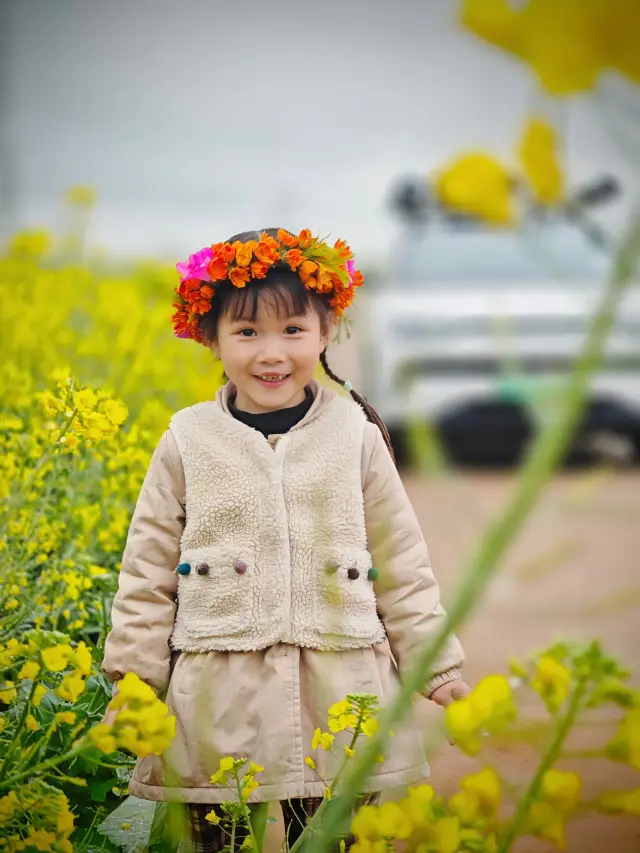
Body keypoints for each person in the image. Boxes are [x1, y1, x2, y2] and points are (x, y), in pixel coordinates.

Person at [102, 228, 469, 853]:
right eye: (246, 333)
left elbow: (401, 563)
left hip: (339, 688)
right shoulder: (186, 439)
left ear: (327, 332)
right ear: (210, 337)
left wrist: (438, 668)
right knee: (217, 842)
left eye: (293, 330)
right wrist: (133, 685)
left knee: (335, 840)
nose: (271, 353)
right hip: (219, 693)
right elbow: (147, 573)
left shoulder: (356, 433)